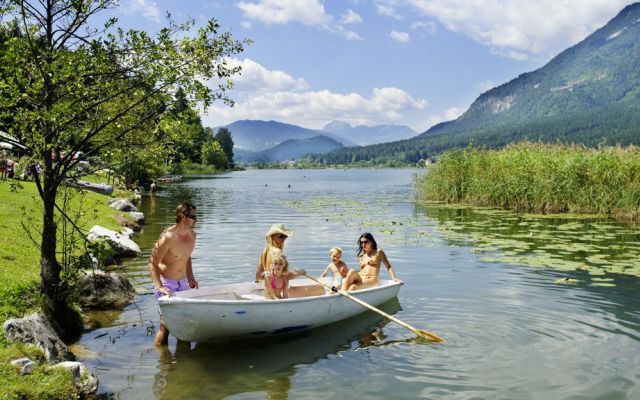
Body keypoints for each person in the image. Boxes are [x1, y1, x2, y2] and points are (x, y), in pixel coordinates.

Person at [149, 202, 199, 346]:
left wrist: (191, 278)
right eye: (193, 216)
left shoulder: (193, 235)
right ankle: (162, 362)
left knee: (185, 326)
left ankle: (182, 363)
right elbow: (152, 262)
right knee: (166, 326)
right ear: (183, 216)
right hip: (166, 283)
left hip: (183, 283)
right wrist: (160, 287)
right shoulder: (168, 237)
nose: (196, 220)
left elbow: (187, 258)